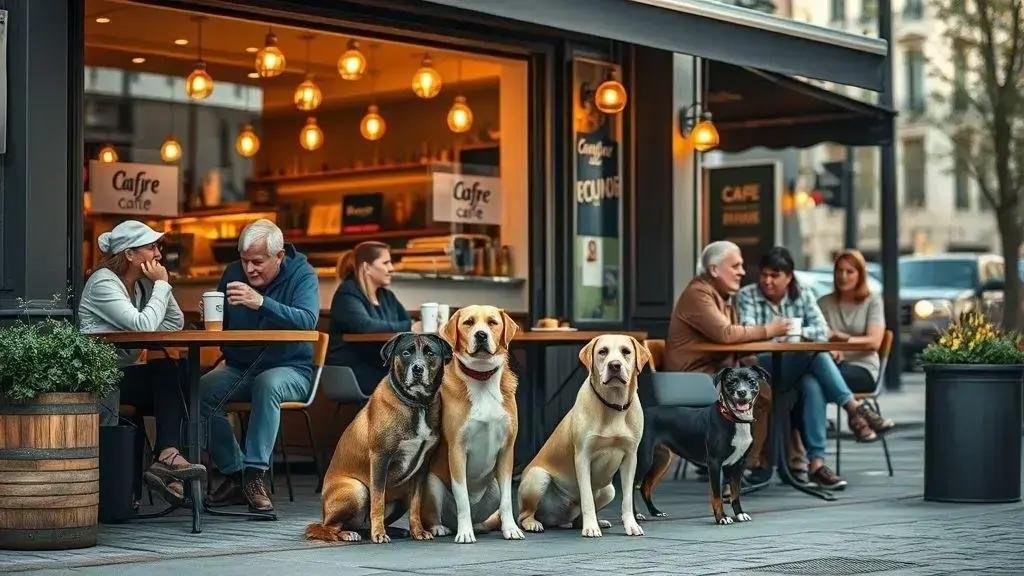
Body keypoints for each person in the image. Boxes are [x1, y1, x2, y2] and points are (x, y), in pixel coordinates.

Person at [734, 247, 893, 490]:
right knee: (812, 352)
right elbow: (748, 333)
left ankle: (817, 464)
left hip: (800, 369)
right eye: (764, 275)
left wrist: (790, 333)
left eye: (775, 276)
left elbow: (820, 331)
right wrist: (782, 333)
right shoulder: (747, 295)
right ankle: (854, 409)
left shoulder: (803, 294)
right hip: (764, 366)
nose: (767, 281)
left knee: (812, 383)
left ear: (789, 277)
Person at [78, 220, 205, 507]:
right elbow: (144, 326)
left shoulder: (139, 286)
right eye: (151, 247)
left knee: (177, 373)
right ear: (129, 254)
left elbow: (173, 323)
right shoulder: (103, 283)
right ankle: (167, 461)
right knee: (168, 373)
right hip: (100, 378)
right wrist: (161, 284)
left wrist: (157, 285)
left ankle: (167, 456)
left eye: (158, 246)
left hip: (121, 375)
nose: (158, 254)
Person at [200, 219, 319, 513]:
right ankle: (235, 474)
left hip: (291, 368)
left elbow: (308, 320)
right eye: (244, 261)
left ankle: (255, 477)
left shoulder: (302, 273)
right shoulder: (232, 273)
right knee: (200, 391)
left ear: (279, 256)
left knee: (268, 384)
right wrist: (209, 316)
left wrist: (261, 302)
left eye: (257, 261)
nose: (249, 269)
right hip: (241, 367)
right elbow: (221, 324)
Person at [665, 241, 790, 484]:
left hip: (713, 372)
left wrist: (754, 361)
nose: (742, 272)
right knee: (761, 392)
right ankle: (746, 463)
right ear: (714, 270)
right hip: (691, 379)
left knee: (773, 389)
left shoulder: (722, 297)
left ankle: (754, 461)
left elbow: (732, 343)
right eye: (735, 266)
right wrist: (769, 329)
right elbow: (725, 334)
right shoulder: (698, 293)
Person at [326, 241, 420, 393]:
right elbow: (365, 326)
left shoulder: (387, 296)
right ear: (367, 267)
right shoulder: (347, 293)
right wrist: (410, 326)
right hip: (353, 368)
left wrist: (412, 326)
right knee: (414, 381)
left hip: (380, 364)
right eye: (385, 263)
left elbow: (407, 321)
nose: (391, 268)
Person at [818, 249, 889, 393]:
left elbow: (874, 342)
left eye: (849, 272)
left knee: (817, 379)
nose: (843, 276)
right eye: (839, 271)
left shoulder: (873, 301)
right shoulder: (823, 303)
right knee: (810, 381)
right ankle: (852, 406)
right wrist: (830, 348)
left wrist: (844, 339)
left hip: (863, 368)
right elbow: (819, 336)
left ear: (860, 275)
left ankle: (848, 406)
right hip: (830, 363)